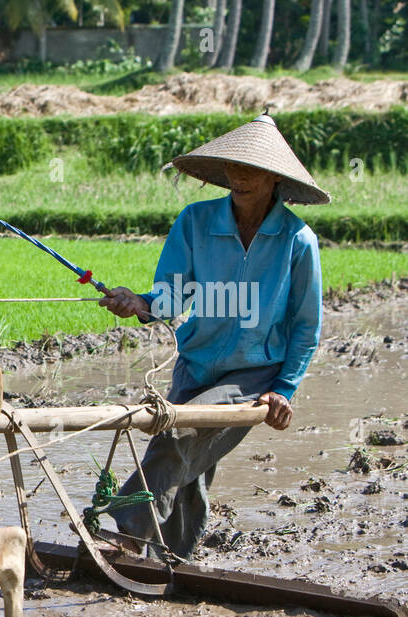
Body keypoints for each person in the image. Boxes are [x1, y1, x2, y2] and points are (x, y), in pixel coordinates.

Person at [97, 112, 328, 561]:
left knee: (177, 437)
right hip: (196, 364)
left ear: (274, 178)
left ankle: (127, 529)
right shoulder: (196, 222)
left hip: (253, 376)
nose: (238, 177)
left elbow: (306, 325)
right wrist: (138, 303)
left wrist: (283, 389)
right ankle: (173, 563)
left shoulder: (298, 241)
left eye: (251, 169)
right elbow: (171, 296)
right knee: (191, 472)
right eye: (232, 167)